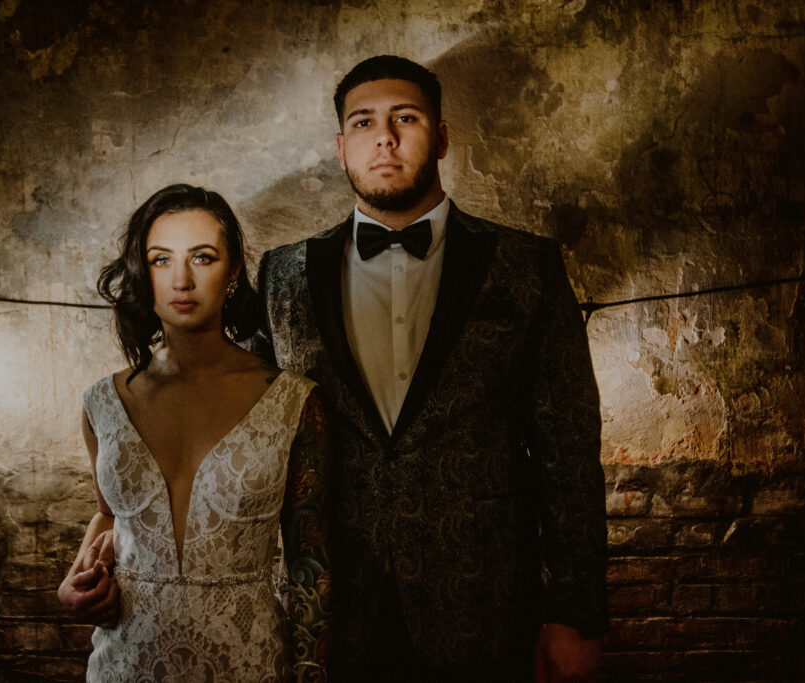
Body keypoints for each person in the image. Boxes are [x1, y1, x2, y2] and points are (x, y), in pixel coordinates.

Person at [255, 56, 608, 681]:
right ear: (341, 148)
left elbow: (569, 455)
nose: (384, 136)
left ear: (441, 136)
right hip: (330, 621)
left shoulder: (528, 269)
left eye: (405, 118)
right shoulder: (280, 276)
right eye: (363, 122)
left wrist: (574, 615)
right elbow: (248, 442)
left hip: (487, 611)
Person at [57, 184, 331, 682]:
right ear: (144, 274)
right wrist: (72, 586)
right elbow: (107, 514)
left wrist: (312, 671)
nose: (181, 279)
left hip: (246, 665)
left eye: (202, 257)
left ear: (231, 274)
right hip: (125, 663)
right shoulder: (103, 402)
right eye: (161, 260)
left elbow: (312, 561)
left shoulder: (292, 401)